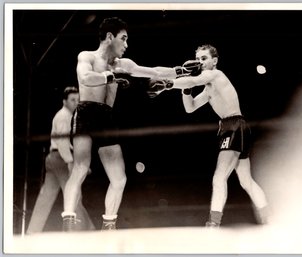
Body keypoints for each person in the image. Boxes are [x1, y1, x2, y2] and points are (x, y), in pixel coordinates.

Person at [61, 17, 200, 231]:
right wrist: (109, 78)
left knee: (119, 178)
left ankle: (109, 226)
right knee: (80, 168)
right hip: (86, 113)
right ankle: (67, 224)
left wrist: (180, 70)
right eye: (123, 39)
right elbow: (86, 78)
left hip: (106, 117)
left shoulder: (122, 65)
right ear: (109, 37)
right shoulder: (87, 56)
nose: (126, 45)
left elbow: (152, 71)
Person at [147, 44, 269, 227]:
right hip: (232, 128)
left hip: (234, 126)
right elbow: (190, 107)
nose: (200, 63)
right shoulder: (209, 88)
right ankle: (268, 218)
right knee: (246, 181)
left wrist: (167, 84)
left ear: (214, 61)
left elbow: (194, 81)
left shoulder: (216, 75)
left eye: (204, 58)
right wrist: (184, 88)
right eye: (197, 59)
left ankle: (213, 224)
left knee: (219, 178)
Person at [27, 87, 95, 234]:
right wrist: (71, 162)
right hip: (61, 158)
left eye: (78, 100)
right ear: (64, 101)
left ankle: (31, 233)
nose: (76, 103)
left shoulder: (67, 115)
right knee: (73, 194)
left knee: (45, 199)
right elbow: (63, 143)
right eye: (72, 100)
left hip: (54, 159)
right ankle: (88, 231)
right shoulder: (64, 116)